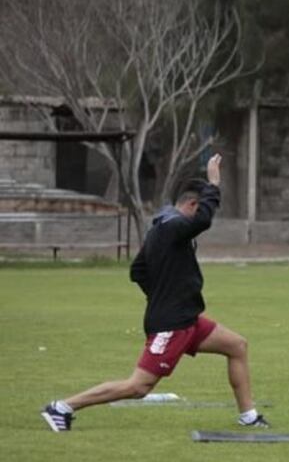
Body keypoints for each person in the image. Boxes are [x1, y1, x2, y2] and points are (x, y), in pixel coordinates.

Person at [40, 154, 270, 432]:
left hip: (187, 319)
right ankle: (62, 407)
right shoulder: (171, 226)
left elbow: (137, 271)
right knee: (138, 387)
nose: (199, 215)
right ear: (192, 204)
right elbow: (203, 221)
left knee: (237, 346)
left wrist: (163, 293)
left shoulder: (163, 226)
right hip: (170, 324)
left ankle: (249, 416)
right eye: (199, 208)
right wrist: (214, 184)